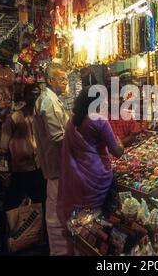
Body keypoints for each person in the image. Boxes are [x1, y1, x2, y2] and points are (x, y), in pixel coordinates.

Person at [57, 87, 124, 252]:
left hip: (76, 177)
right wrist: (120, 142)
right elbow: (117, 152)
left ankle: (78, 247)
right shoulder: (99, 120)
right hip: (95, 177)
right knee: (94, 221)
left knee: (78, 219)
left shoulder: (72, 121)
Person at [34, 63, 69, 256]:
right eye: (61, 79)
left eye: (65, 78)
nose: (65, 83)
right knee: (56, 216)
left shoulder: (51, 100)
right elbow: (58, 138)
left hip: (55, 166)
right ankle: (60, 251)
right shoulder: (49, 101)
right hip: (57, 165)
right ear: (50, 80)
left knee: (56, 211)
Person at [1, 84, 45, 210]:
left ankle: (36, 225)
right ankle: (13, 225)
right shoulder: (14, 117)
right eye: (32, 94)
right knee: (17, 199)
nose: (35, 97)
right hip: (21, 166)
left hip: (38, 164)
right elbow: (4, 144)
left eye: (37, 94)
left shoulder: (40, 116)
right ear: (25, 97)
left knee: (38, 198)